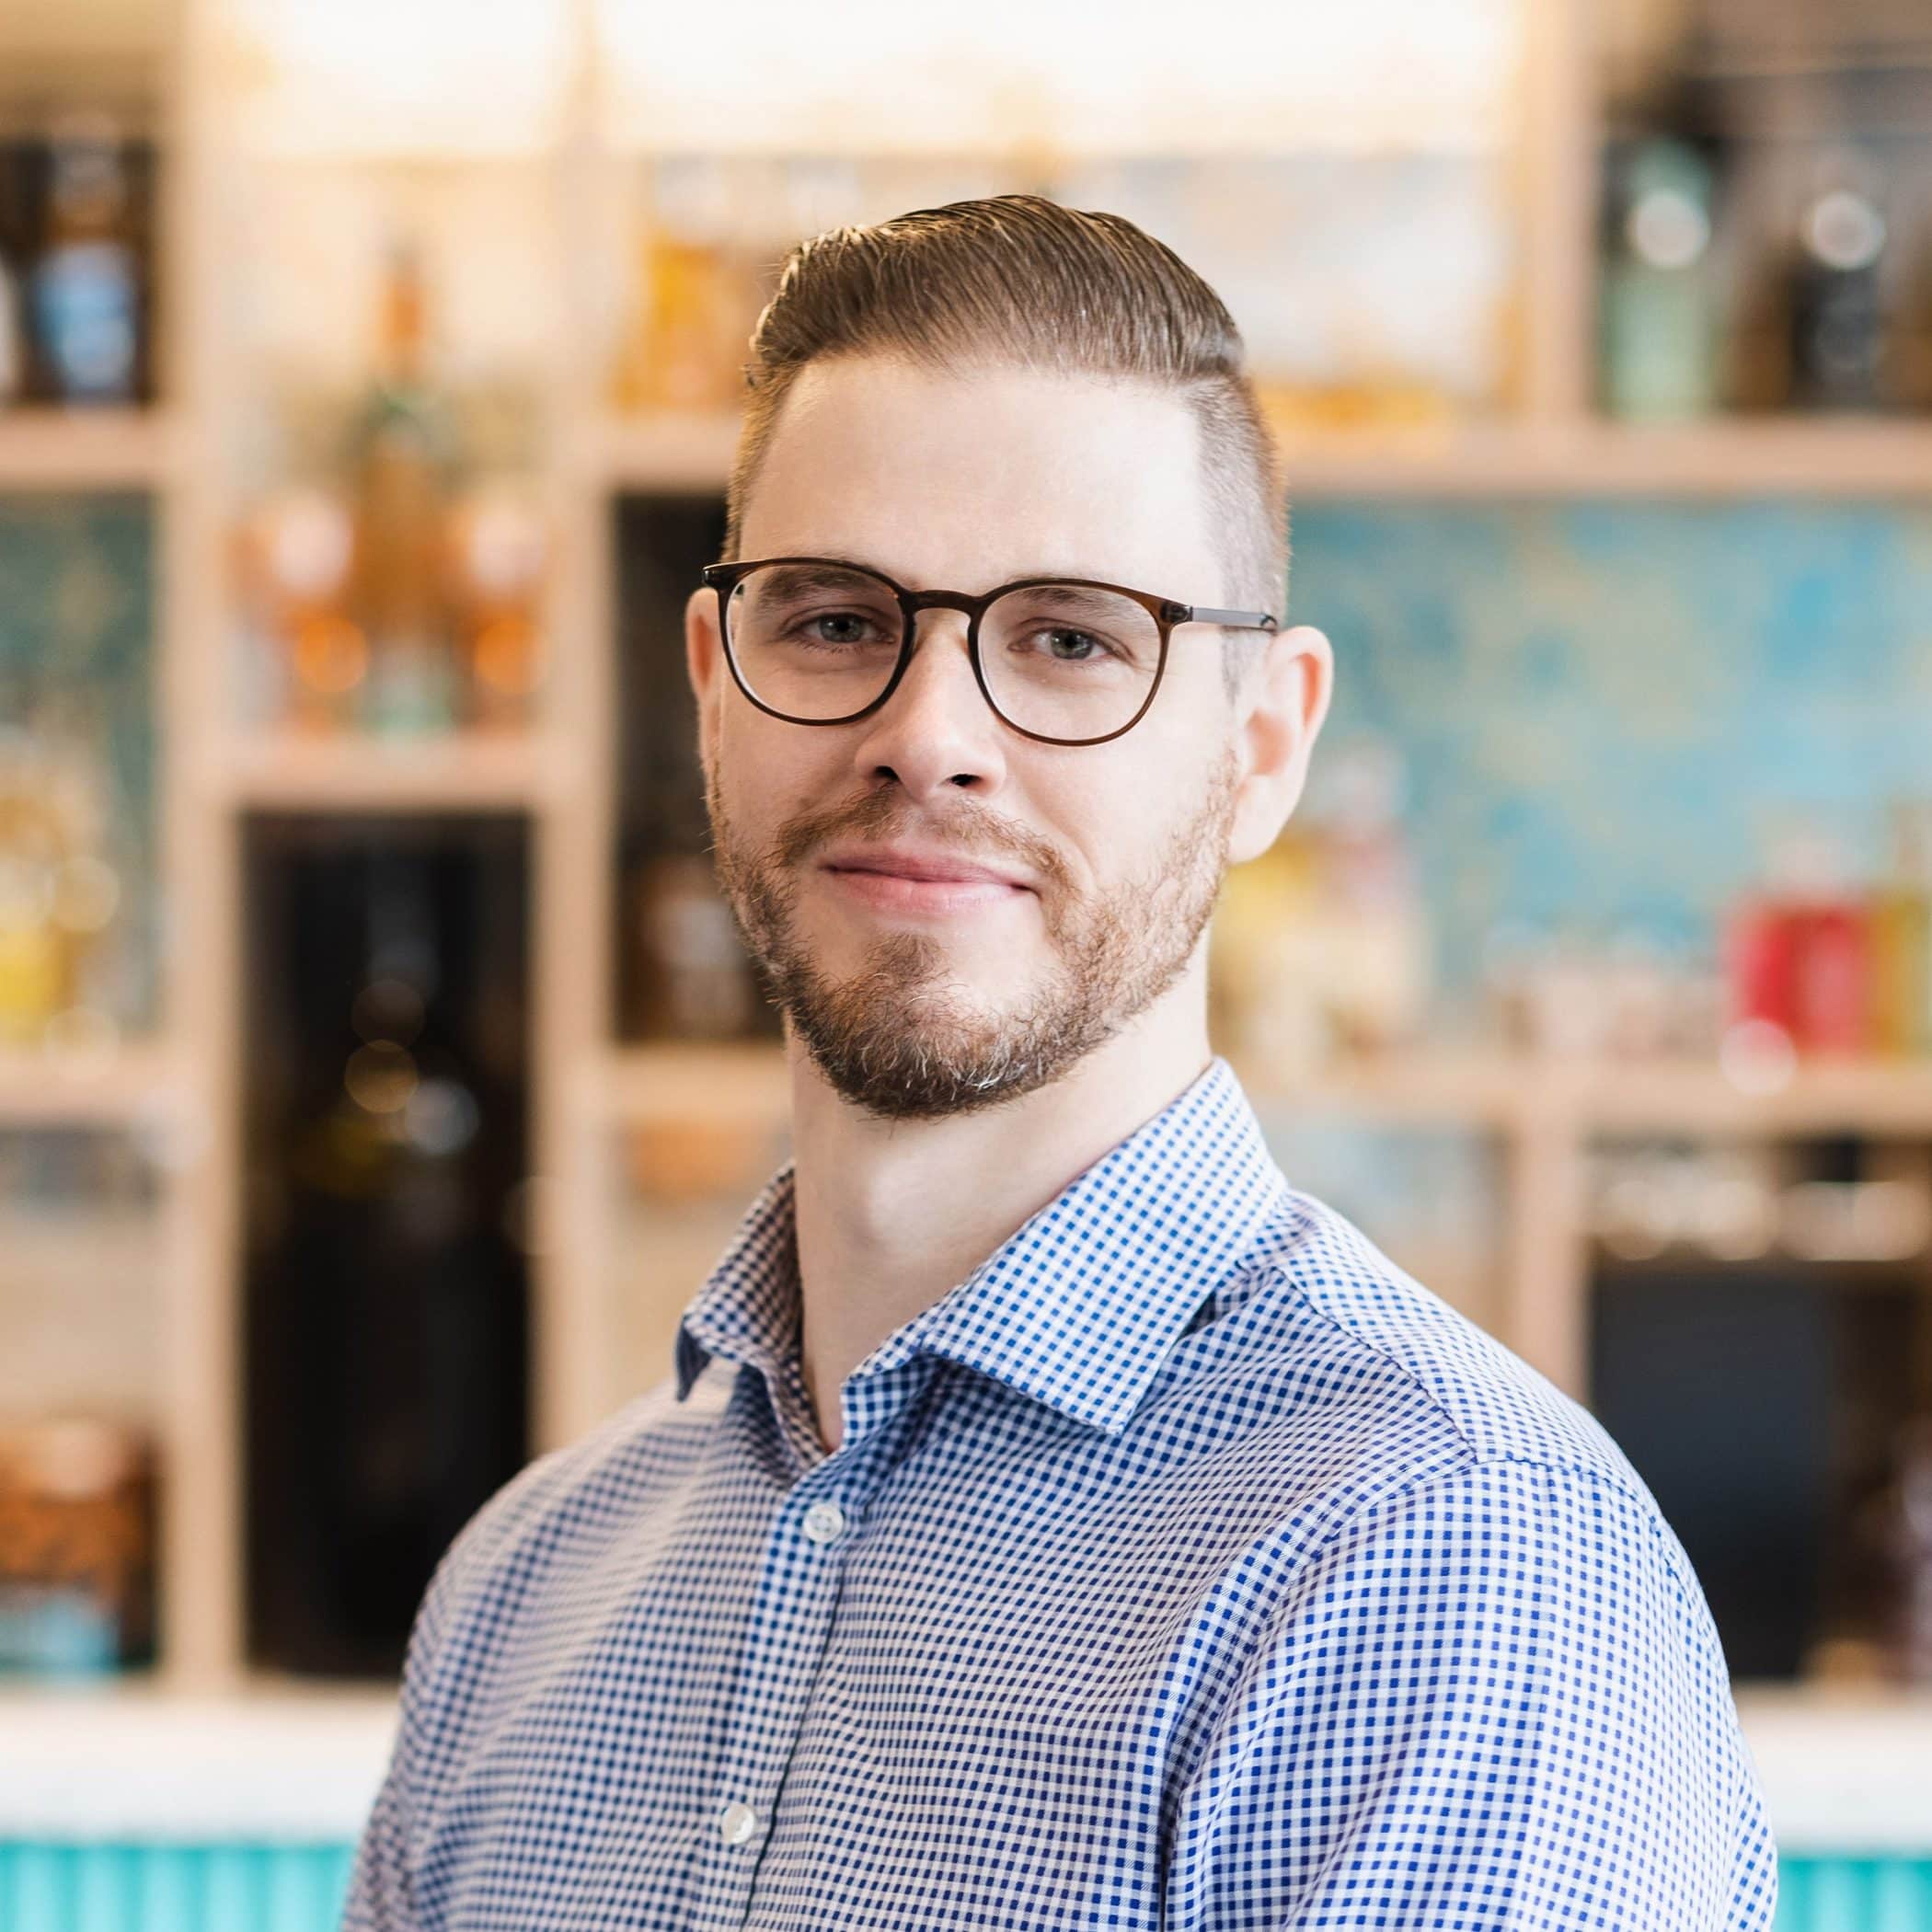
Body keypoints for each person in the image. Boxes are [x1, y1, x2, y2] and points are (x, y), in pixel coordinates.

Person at [343, 194, 1777, 1930]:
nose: (929, 734)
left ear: (1262, 748)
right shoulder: (521, 1591)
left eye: (1073, 639)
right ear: (714, 695)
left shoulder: (1445, 1562)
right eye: (834, 620)